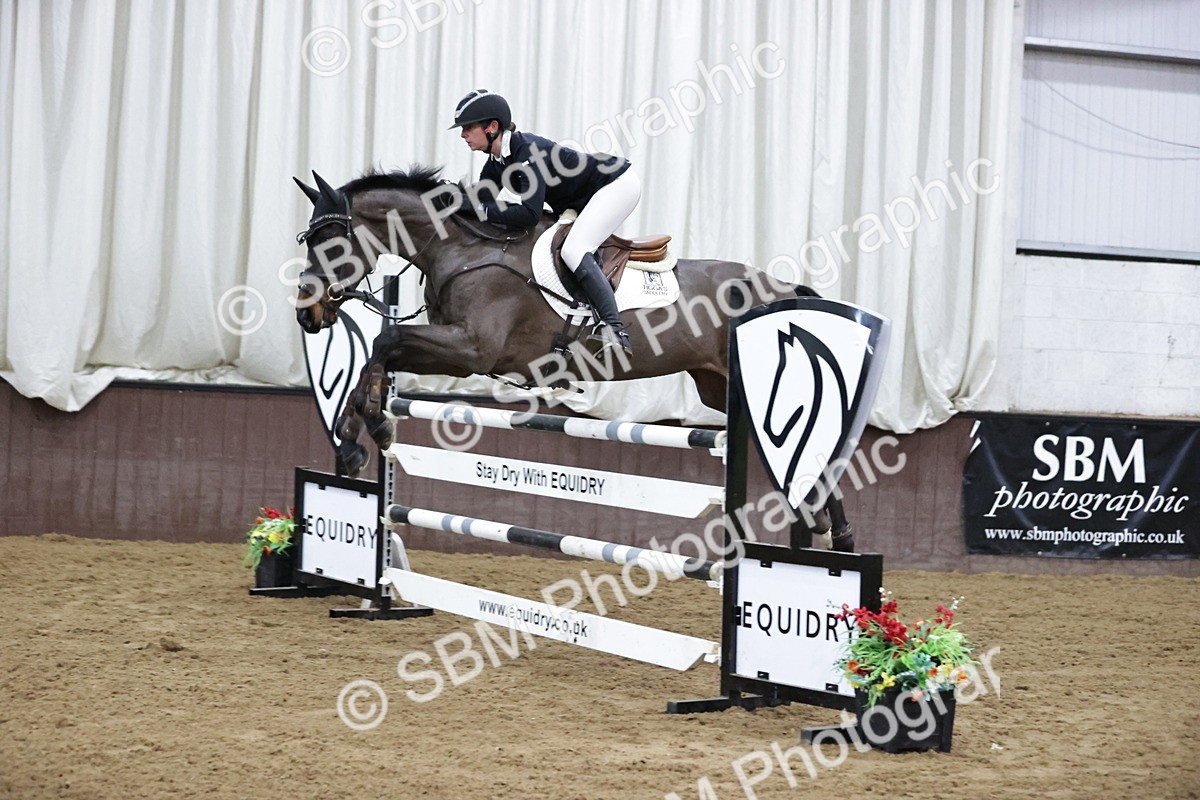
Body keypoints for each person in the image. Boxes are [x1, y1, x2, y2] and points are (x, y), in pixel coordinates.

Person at [449, 89, 639, 354]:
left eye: (468, 128)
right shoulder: (496, 162)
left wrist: (479, 207)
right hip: (580, 199)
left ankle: (614, 329)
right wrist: (453, 202)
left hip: (615, 184)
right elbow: (481, 205)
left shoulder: (527, 152)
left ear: (492, 127)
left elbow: (528, 214)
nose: (462, 135)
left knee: (574, 249)